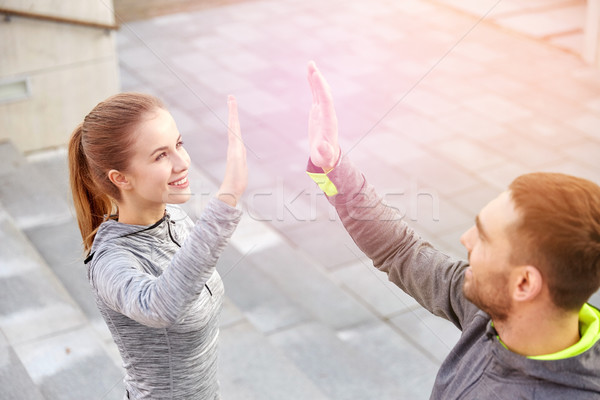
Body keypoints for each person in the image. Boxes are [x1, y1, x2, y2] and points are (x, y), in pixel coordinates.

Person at [305, 61, 600, 399]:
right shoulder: (494, 310)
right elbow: (400, 251)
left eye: (484, 238)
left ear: (524, 283)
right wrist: (334, 166)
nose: (465, 240)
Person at [68, 92, 247, 399]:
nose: (183, 162)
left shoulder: (175, 218)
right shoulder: (110, 261)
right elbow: (160, 306)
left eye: (179, 144)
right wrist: (227, 197)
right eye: (161, 155)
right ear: (121, 178)